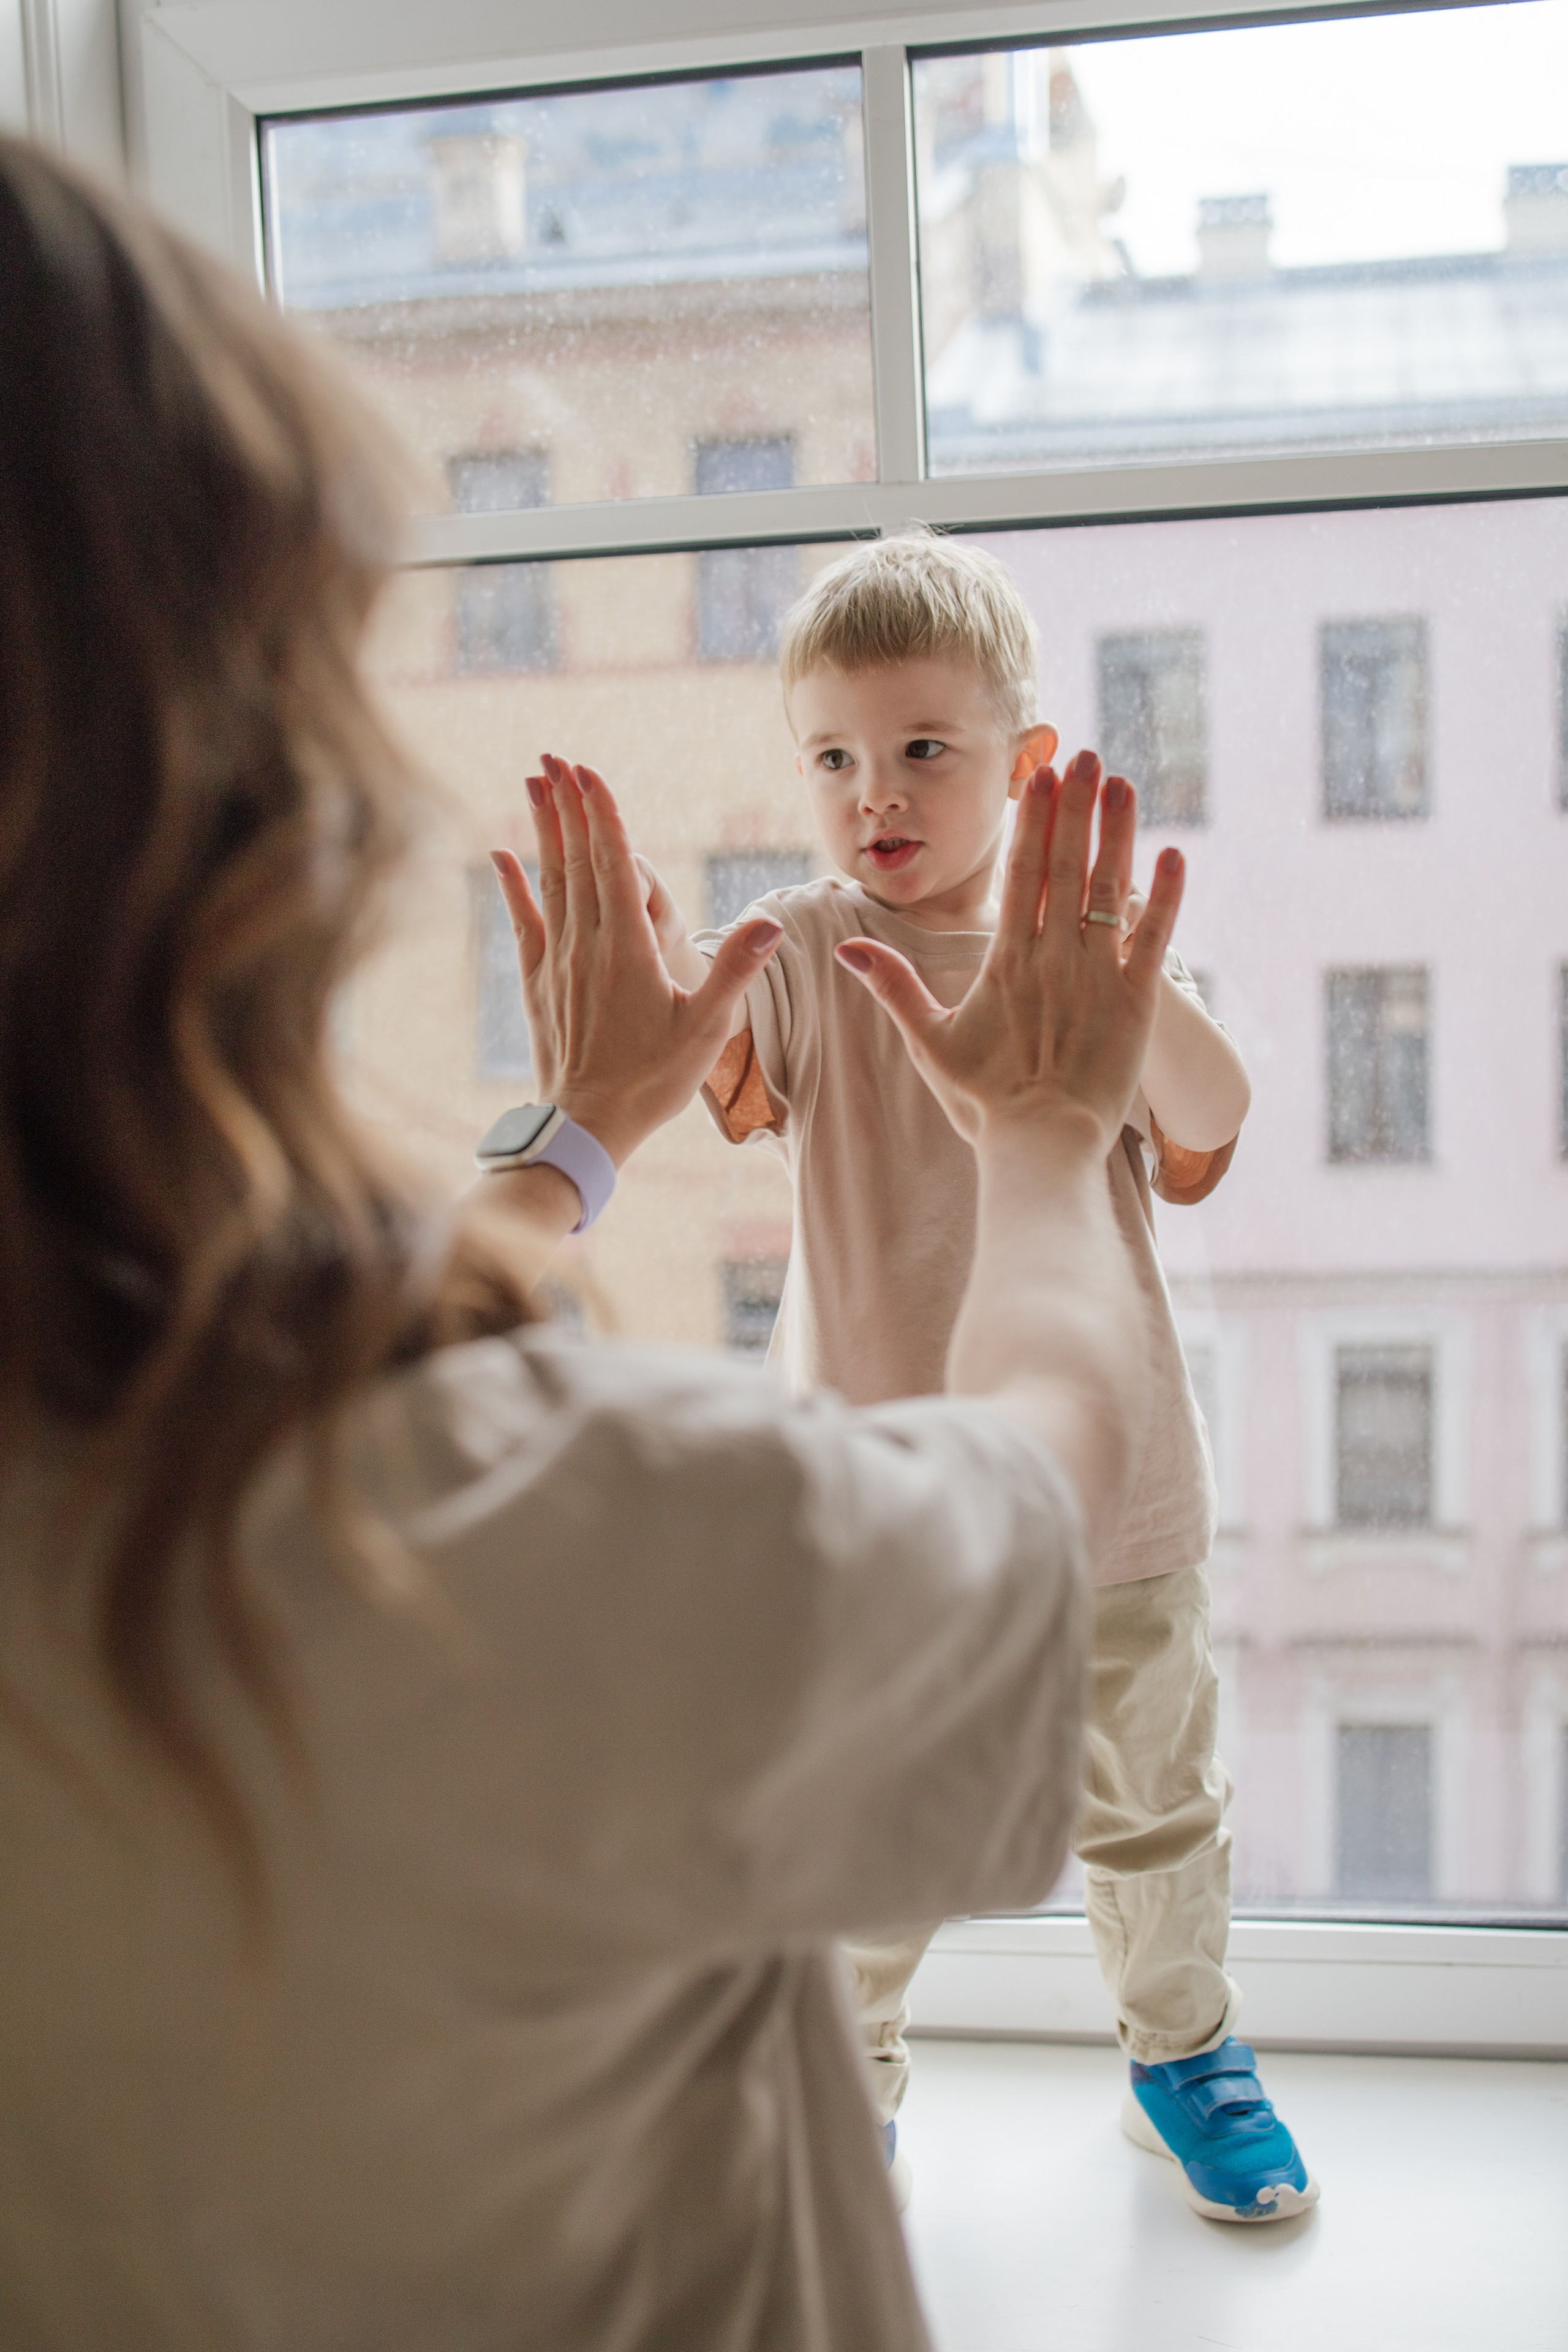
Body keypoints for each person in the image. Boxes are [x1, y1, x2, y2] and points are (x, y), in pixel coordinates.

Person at [0, 137, 1183, 2350]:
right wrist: (1042, 1142)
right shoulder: (503, 1531)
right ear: (239, 800)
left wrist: (571, 1146)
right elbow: (1033, 1504)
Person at [625, 530, 1318, 2225]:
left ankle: (1184, 2054)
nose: (878, 791)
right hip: (881, 1497)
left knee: (1152, 1804)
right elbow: (687, 1063)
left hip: (1118, 1490)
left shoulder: (1086, 954)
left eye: (925, 748)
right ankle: (839, 2090)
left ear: (1019, 763)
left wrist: (1118, 963)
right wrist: (651, 998)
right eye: (837, 756)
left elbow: (1217, 1119)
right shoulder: (796, 950)